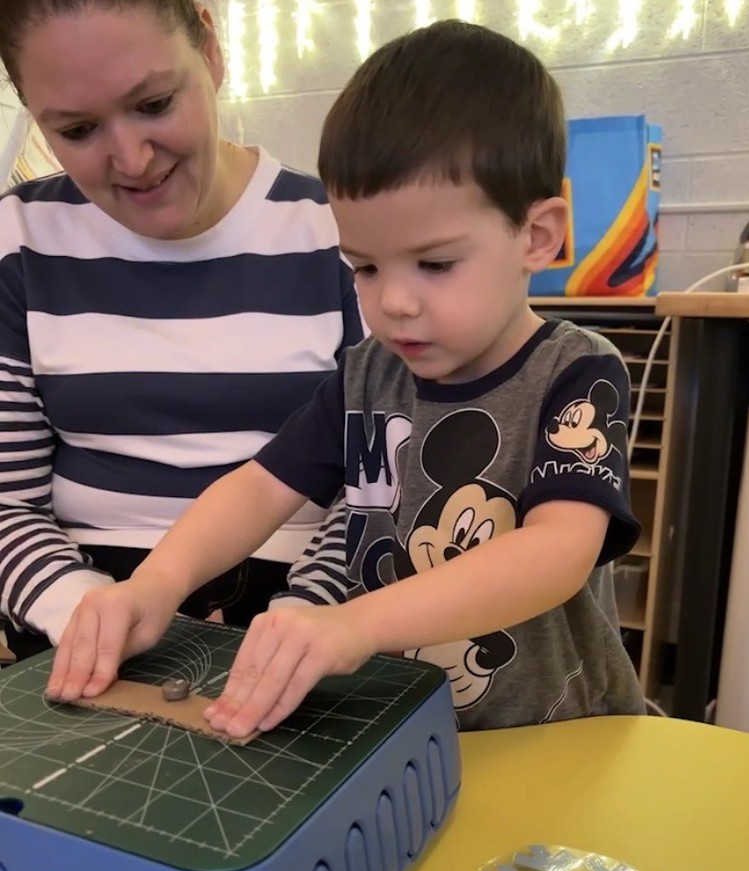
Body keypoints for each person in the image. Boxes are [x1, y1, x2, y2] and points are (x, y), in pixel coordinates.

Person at [48, 19, 646, 737]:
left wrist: (351, 626)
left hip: (552, 736)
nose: (392, 301)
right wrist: (154, 586)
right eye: (363, 266)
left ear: (537, 236)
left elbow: (557, 552)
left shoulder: (575, 370)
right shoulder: (367, 375)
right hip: (402, 727)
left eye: (433, 264)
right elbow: (256, 487)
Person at [0, 0, 364, 660]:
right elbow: (5, 505)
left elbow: (378, 488)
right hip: (78, 609)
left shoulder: (345, 233)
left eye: (155, 103)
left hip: (301, 607)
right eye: (78, 129)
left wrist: (303, 615)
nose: (133, 160)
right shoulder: (16, 241)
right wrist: (84, 612)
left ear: (209, 44)